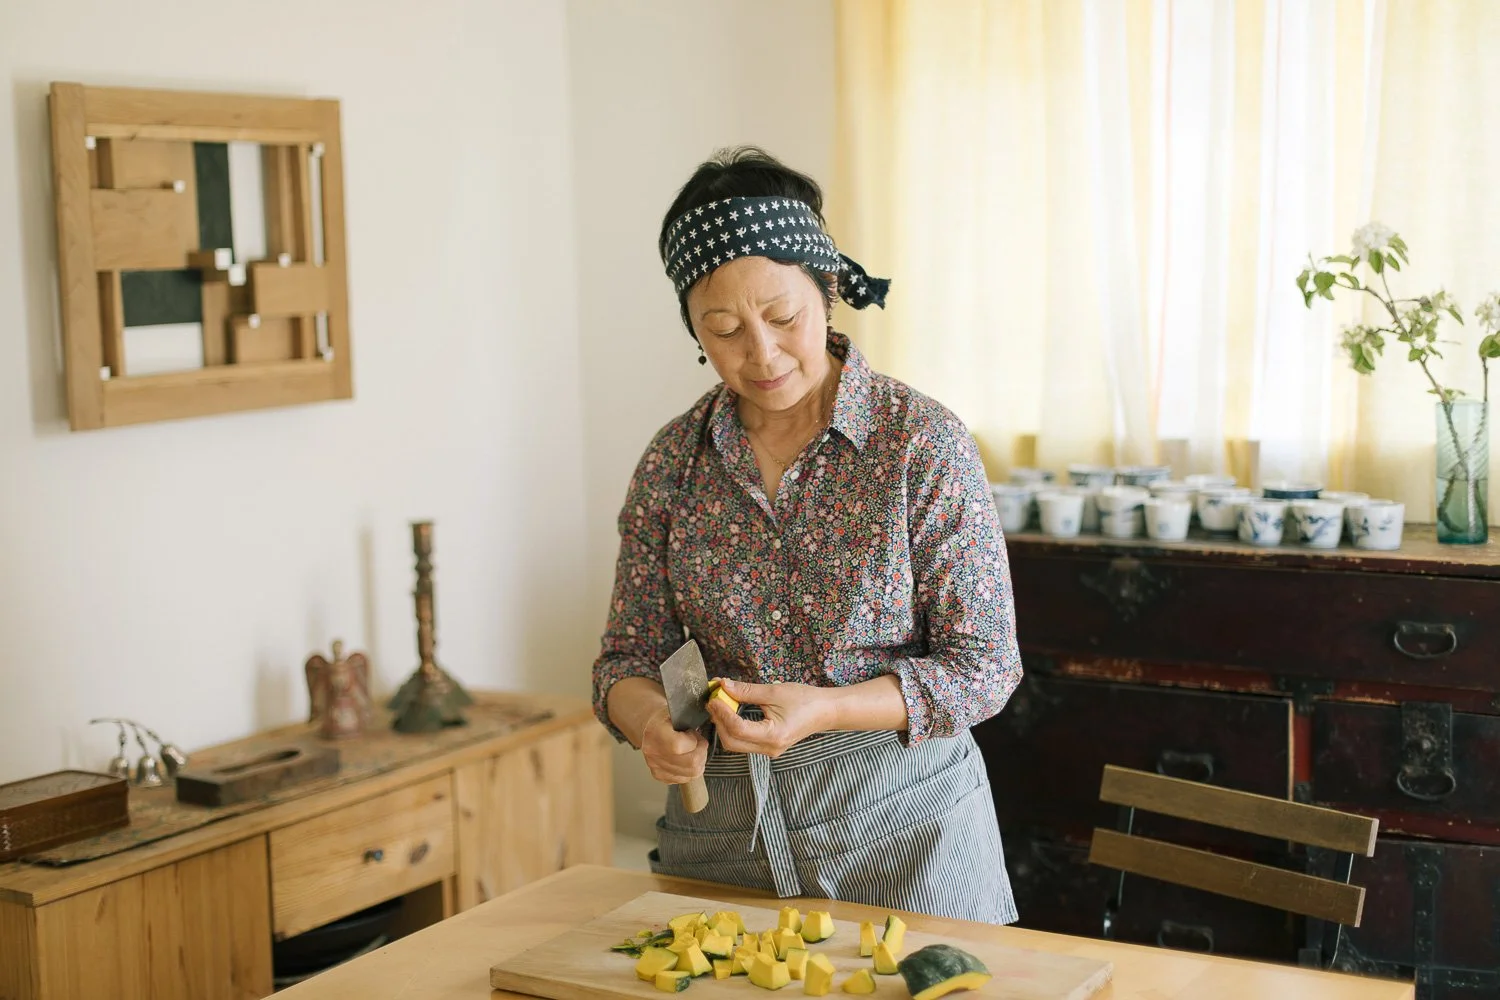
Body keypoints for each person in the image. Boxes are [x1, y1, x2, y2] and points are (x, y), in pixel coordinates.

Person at [591, 146, 1023, 924]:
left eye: (784, 317)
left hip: (907, 844)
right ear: (693, 328)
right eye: (722, 328)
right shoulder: (671, 462)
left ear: (828, 289)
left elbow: (985, 668)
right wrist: (649, 722)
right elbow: (625, 658)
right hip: (722, 852)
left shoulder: (919, 443)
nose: (761, 354)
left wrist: (823, 710)